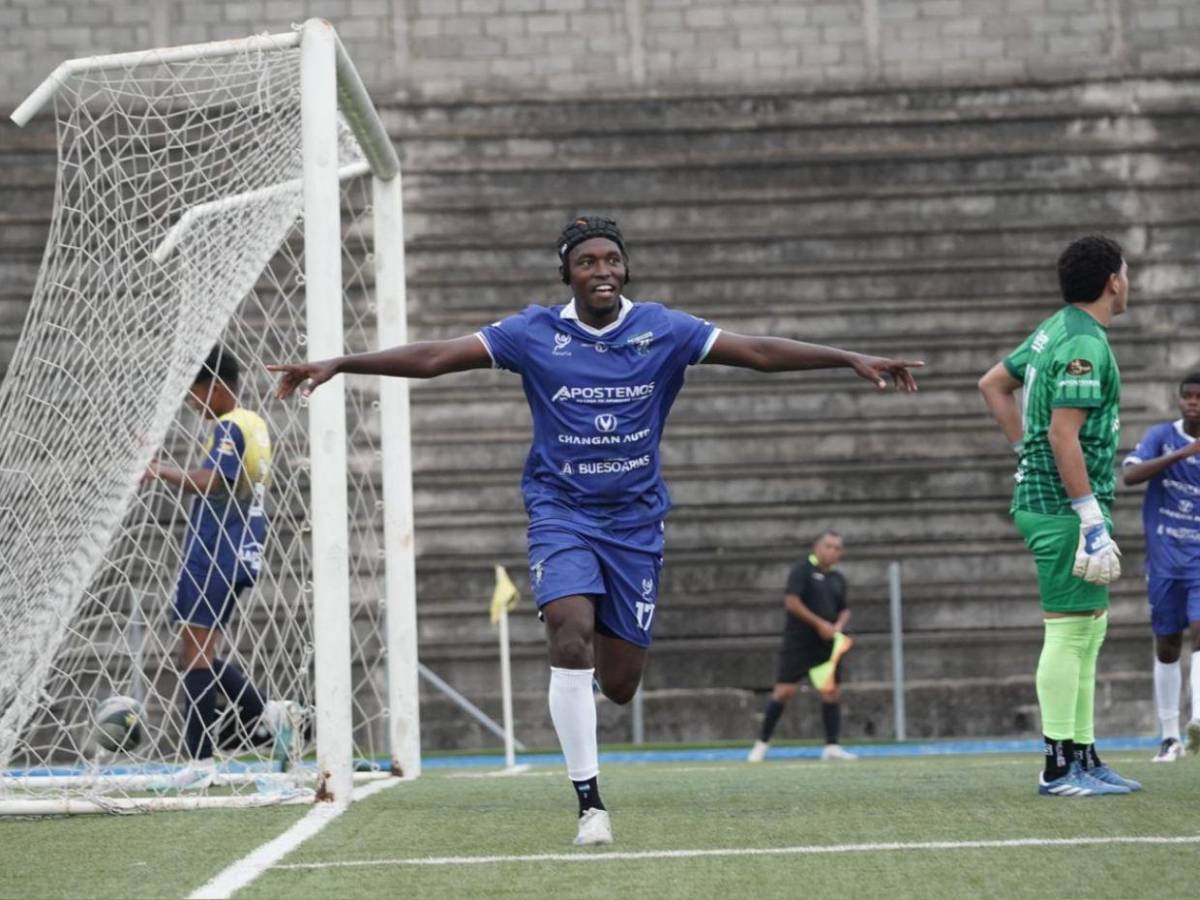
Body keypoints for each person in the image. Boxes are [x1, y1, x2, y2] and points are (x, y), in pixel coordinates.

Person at [269, 215, 922, 844]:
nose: (602, 270)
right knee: (568, 631)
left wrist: (848, 358)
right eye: (587, 262)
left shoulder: (662, 329)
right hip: (561, 513)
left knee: (618, 684)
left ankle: (599, 688)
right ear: (568, 275)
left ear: (625, 268)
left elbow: (755, 351)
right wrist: (342, 363)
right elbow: (439, 356)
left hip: (636, 525)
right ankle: (590, 805)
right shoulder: (533, 334)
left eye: (611, 259)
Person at [978, 234, 1140, 797]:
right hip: (1064, 506)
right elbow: (1062, 432)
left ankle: (1083, 754)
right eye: (1126, 271)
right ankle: (1056, 767)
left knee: (1090, 633)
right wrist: (1089, 516)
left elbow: (993, 384)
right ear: (1112, 281)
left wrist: (1025, 453)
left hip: (1059, 500)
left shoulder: (1056, 329)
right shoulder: (1083, 344)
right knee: (1069, 633)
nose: (1129, 281)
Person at [145, 346, 293, 790]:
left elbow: (216, 480)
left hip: (217, 551)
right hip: (236, 549)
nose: (192, 403)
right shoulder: (254, 424)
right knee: (197, 650)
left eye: (195, 393)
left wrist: (158, 471)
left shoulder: (231, 426)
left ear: (217, 387)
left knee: (194, 652)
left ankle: (202, 761)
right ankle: (271, 717)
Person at [1121, 371, 1200, 761]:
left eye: (1199, 397)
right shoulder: (1160, 437)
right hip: (1166, 558)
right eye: (1187, 396)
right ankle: (1170, 736)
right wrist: (1182, 455)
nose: (1192, 402)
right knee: (1168, 643)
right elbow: (1130, 474)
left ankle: (1198, 720)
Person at [748, 529, 855, 762]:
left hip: (825, 645)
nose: (832, 551)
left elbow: (844, 609)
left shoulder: (838, 578)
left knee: (831, 692)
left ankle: (831, 746)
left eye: (837, 548)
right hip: (800, 641)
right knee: (784, 691)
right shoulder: (802, 571)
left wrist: (837, 626)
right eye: (828, 546)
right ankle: (761, 744)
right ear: (817, 546)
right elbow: (792, 602)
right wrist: (819, 624)